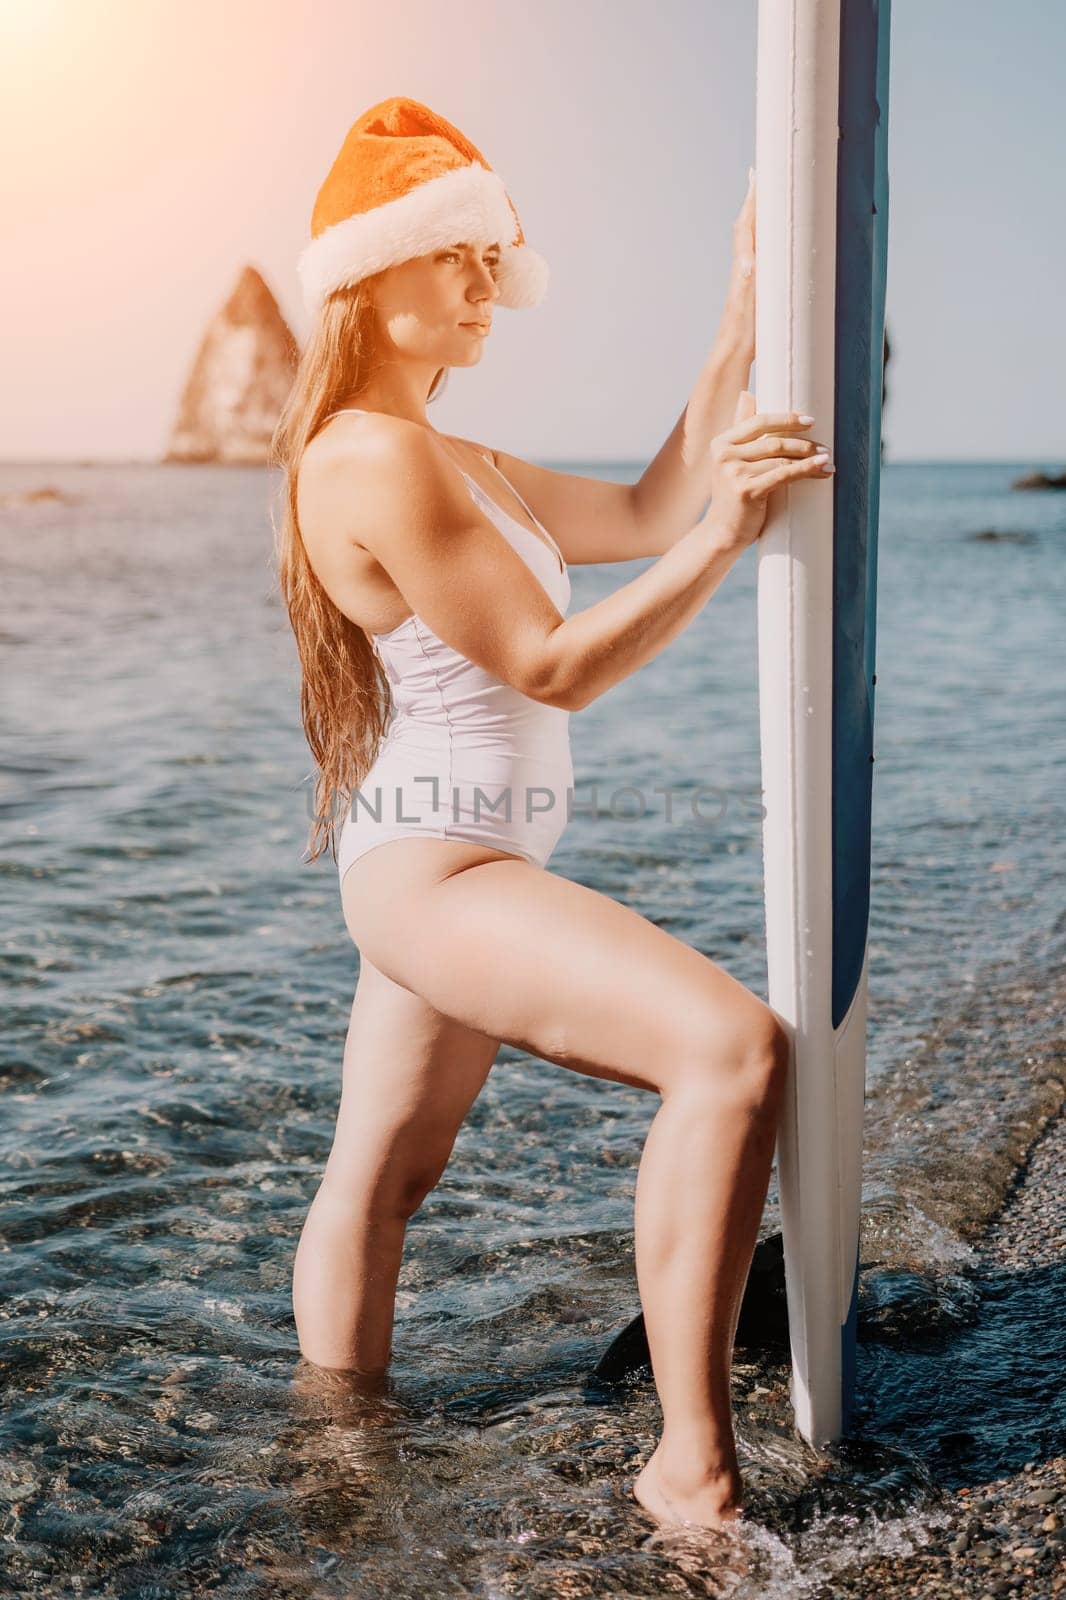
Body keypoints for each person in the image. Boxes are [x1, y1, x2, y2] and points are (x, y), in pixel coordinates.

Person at [271, 96, 834, 1532]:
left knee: (383, 1179)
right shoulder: (367, 457)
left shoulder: (455, 456)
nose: (486, 290)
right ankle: (688, 1464)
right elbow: (552, 666)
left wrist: (739, 322)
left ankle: (339, 1463)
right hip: (438, 874)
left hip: (442, 861)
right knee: (729, 1053)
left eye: (491, 261)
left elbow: (646, 510)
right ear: (370, 275)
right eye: (456, 257)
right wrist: (729, 535)